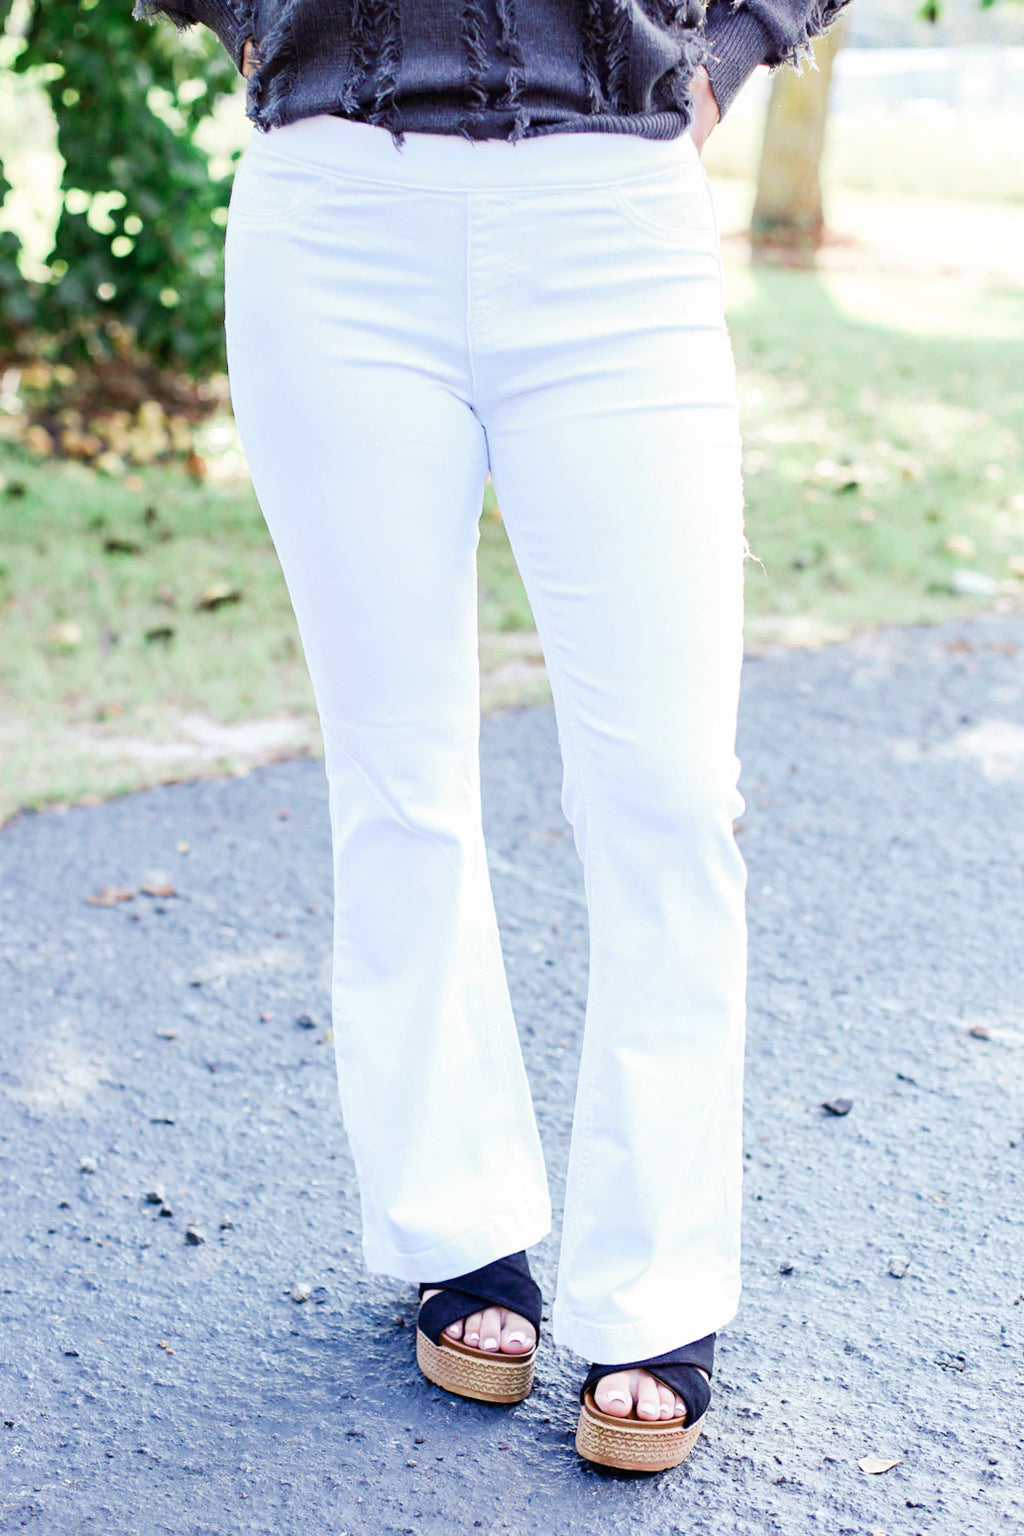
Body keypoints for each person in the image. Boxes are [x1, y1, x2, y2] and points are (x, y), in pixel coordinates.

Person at [134, 0, 851, 1473]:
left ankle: (658, 1291)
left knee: (668, 792)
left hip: (614, 215)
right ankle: (452, 1223)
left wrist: (733, 49)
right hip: (334, 220)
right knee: (397, 776)